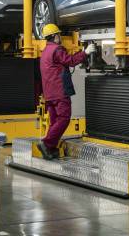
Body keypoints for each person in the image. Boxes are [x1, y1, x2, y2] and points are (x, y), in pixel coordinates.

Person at [37, 24, 95, 160]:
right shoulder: (57, 50)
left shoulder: (45, 51)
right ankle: (46, 143)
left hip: (49, 94)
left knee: (54, 121)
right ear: (55, 36)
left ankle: (50, 149)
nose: (60, 38)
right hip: (59, 92)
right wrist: (85, 52)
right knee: (63, 119)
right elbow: (71, 61)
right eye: (59, 35)